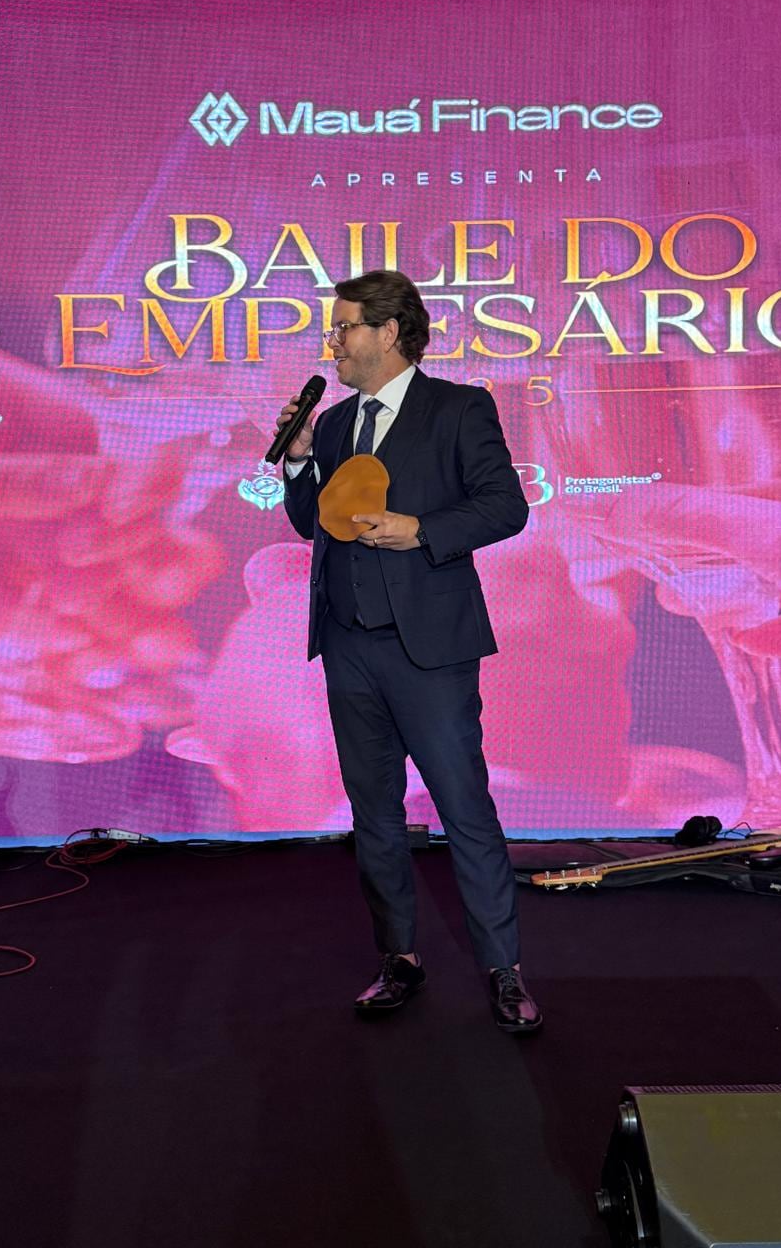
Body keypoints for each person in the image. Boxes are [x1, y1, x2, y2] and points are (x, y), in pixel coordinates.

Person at [277, 269, 541, 1035]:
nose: (333, 342)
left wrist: (422, 530)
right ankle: (399, 957)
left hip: (429, 649)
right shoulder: (333, 424)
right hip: (347, 643)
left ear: (389, 332)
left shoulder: (458, 409)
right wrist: (298, 459)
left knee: (464, 808)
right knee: (374, 815)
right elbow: (314, 523)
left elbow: (506, 507)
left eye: (344, 327)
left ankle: (503, 969)